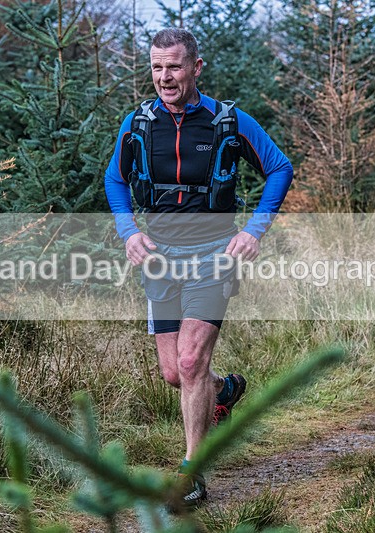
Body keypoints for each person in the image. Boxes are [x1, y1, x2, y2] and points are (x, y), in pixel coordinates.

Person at [104, 27, 293, 509]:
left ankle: (192, 474)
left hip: (214, 255)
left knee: (191, 362)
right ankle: (223, 392)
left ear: (195, 68)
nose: (164, 77)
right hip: (159, 257)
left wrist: (254, 230)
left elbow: (279, 167)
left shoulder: (227, 121)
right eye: (156, 67)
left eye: (173, 66)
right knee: (174, 373)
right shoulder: (139, 122)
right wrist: (129, 232)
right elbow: (114, 179)